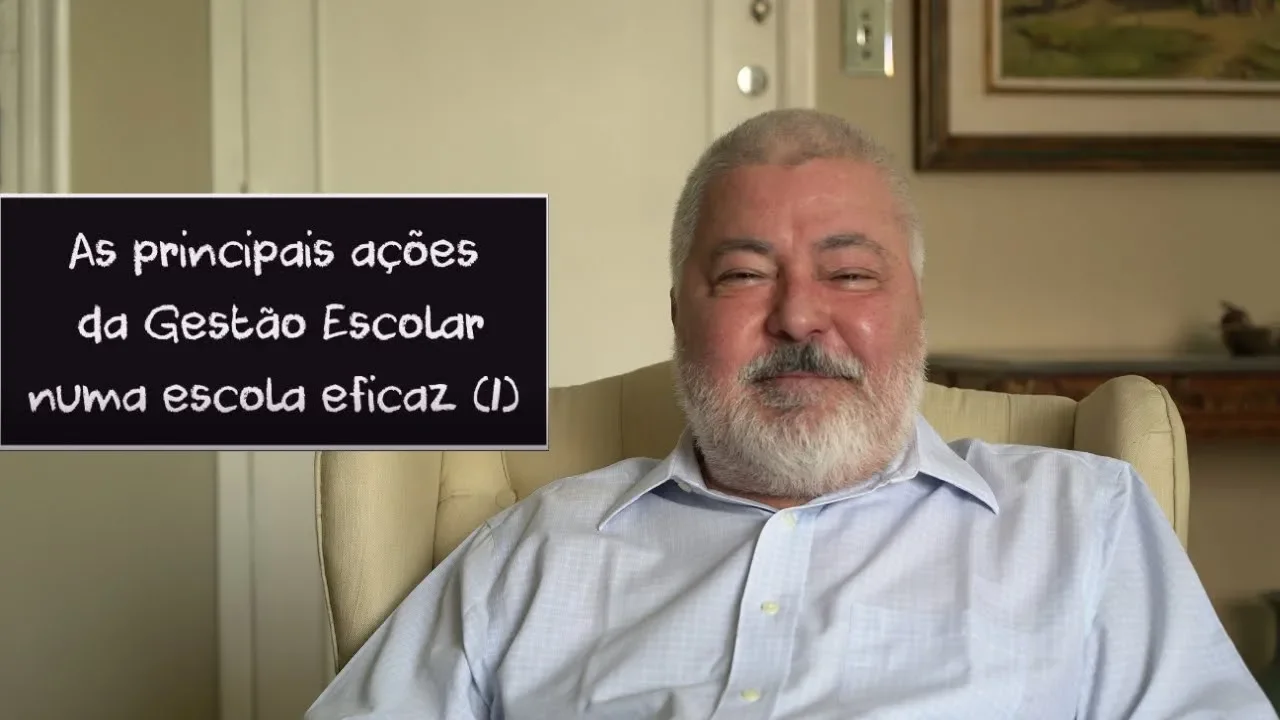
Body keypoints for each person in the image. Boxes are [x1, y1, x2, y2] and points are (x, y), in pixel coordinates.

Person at [305, 109, 1277, 719]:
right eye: (742, 275)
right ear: (678, 316)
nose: (798, 317)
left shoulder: (1083, 519)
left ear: (915, 311)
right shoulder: (533, 548)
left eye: (848, 274)